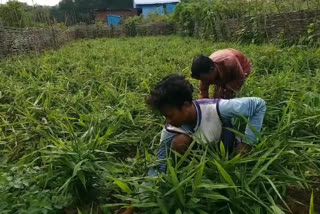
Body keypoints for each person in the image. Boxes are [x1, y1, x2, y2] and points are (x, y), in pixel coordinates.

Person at [146, 74, 266, 173]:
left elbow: (258, 104)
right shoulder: (171, 128)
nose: (168, 121)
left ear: (186, 105)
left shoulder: (216, 108)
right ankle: (196, 171)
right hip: (202, 153)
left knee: (243, 158)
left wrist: (248, 142)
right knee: (179, 142)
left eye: (170, 115)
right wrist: (150, 189)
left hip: (225, 145)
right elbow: (161, 158)